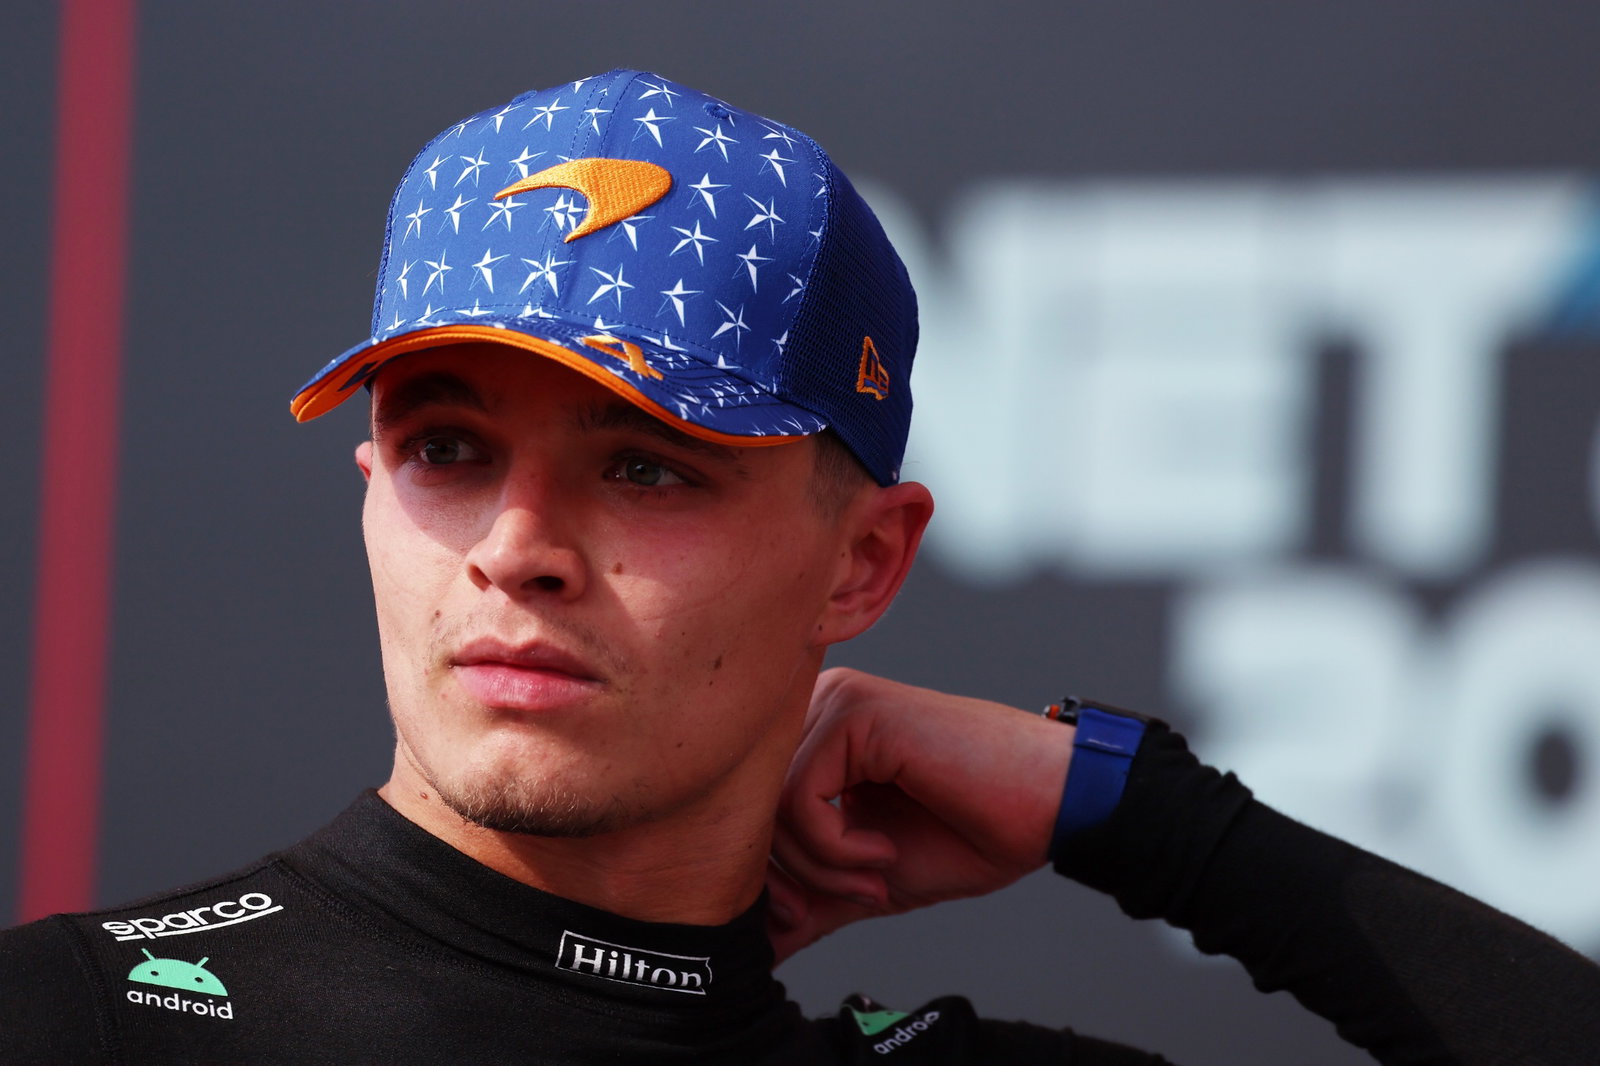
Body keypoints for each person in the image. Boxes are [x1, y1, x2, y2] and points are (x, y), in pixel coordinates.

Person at [3, 68, 1598, 1065]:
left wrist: (1138, 809)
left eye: (646, 465)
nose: (515, 550)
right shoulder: (72, 1018)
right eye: (447, 449)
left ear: (863, 565)